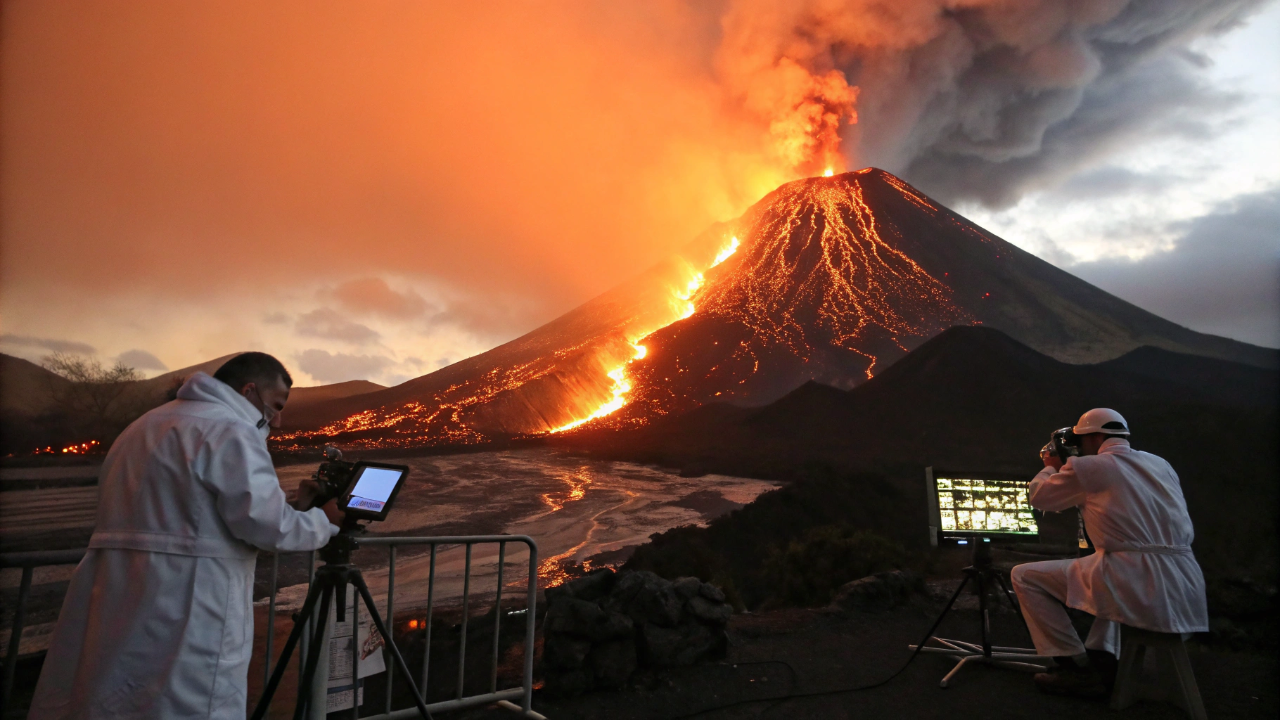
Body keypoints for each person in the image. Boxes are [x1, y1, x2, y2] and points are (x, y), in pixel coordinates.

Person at [29, 352, 343, 719]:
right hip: (191, 602)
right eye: (275, 406)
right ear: (249, 390)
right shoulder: (233, 429)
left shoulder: (143, 425)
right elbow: (268, 527)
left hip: (115, 594)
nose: (277, 419)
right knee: (192, 702)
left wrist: (296, 505)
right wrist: (326, 519)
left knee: (110, 697)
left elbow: (189, 510)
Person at [1010, 408, 1208, 698]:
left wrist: (1050, 466)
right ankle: (1102, 660)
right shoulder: (1161, 464)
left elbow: (1042, 497)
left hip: (1135, 576)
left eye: (1081, 441)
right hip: (1185, 582)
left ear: (1096, 437)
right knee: (1106, 576)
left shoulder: (1091, 467)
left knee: (1025, 575)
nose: (1078, 448)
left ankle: (1073, 665)